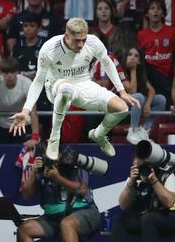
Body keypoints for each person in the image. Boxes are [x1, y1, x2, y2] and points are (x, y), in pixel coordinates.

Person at [9, 18, 139, 160]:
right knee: (66, 89)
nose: (81, 44)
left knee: (121, 108)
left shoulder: (93, 41)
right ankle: (54, 138)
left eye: (83, 39)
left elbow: (107, 62)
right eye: (77, 40)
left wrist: (122, 91)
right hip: (56, 85)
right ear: (67, 36)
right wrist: (25, 110)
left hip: (84, 83)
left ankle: (99, 134)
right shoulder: (50, 48)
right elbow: (38, 81)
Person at [18, 145, 101, 242]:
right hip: (52, 219)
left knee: (67, 223)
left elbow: (81, 190)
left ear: (61, 154)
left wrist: (58, 178)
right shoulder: (42, 171)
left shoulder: (74, 166)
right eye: (46, 155)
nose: (51, 158)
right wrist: (33, 172)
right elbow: (27, 195)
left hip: (84, 212)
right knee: (24, 229)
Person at [109, 156, 175, 242]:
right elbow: (123, 205)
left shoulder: (166, 176)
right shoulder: (135, 178)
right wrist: (131, 183)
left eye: (145, 167)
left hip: (173, 218)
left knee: (148, 219)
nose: (143, 171)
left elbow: (169, 203)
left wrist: (154, 180)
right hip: (146, 219)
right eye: (140, 168)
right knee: (120, 220)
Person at [0, 57, 39, 150]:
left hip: (24, 125)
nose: (9, 75)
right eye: (6, 73)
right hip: (2, 125)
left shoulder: (27, 83)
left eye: (12, 72)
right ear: (1, 73)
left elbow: (33, 112)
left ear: (17, 72)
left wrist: (35, 137)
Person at [137, 0, 175, 106]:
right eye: (152, 8)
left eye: (159, 9)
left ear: (163, 14)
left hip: (167, 78)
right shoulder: (141, 35)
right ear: (147, 14)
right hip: (149, 78)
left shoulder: (172, 32)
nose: (155, 11)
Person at [123, 47, 166, 145]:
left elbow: (151, 90)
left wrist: (147, 105)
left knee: (161, 99)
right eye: (130, 55)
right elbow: (132, 90)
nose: (132, 58)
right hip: (120, 104)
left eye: (136, 56)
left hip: (136, 104)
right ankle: (133, 130)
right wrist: (132, 70)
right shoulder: (120, 70)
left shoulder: (140, 72)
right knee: (138, 96)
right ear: (125, 58)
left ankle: (145, 129)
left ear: (139, 61)